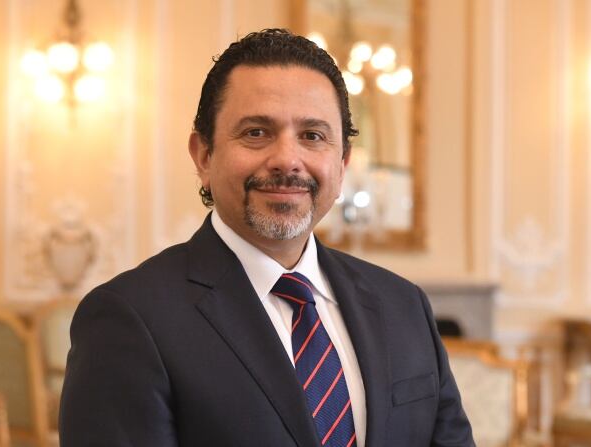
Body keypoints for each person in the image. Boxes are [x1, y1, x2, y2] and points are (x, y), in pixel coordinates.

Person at [59, 28, 474, 447]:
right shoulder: (129, 318)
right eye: (256, 133)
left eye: (312, 136)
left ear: (342, 163)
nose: (287, 160)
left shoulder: (403, 305)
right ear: (204, 155)